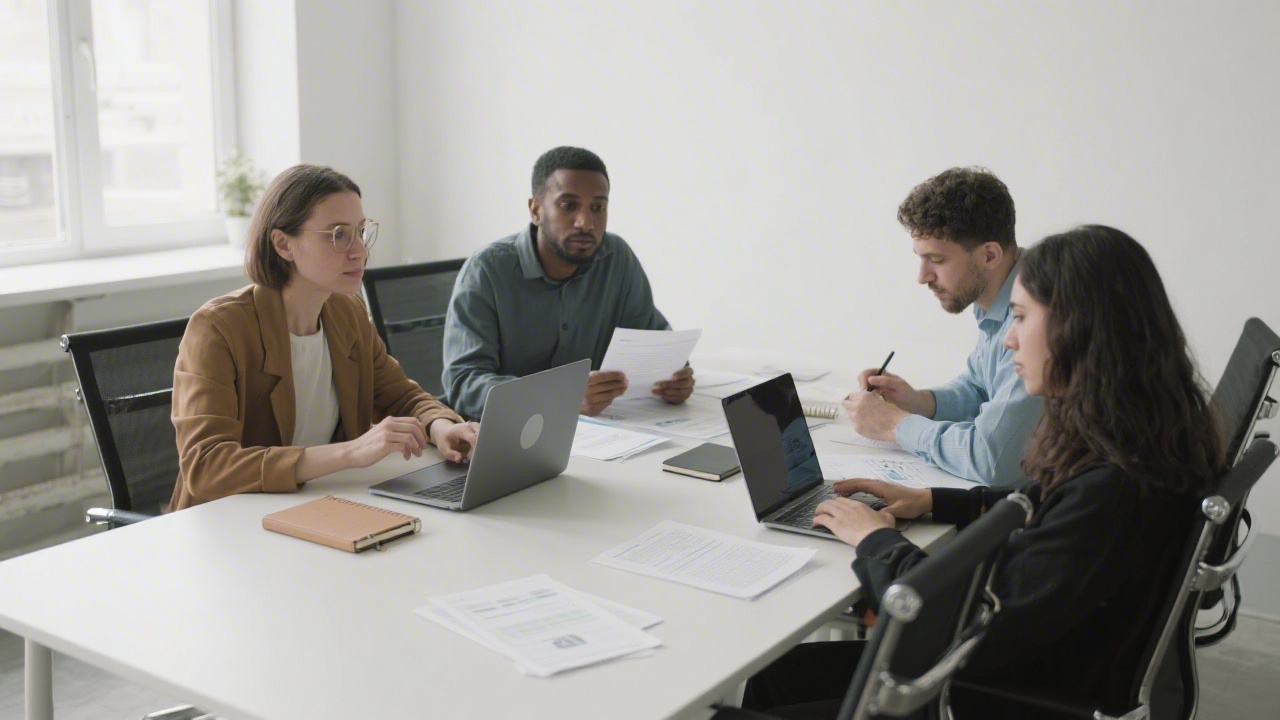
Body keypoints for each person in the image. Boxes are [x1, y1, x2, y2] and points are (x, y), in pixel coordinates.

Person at [743, 226, 1225, 718]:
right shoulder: (1145, 432)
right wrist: (936, 500)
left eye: (1019, 318)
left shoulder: (1113, 485)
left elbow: (959, 621)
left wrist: (875, 541)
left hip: (1004, 692)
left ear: (1078, 329)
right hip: (1050, 663)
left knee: (766, 689)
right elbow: (1050, 507)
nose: (1010, 340)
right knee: (777, 675)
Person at [168, 164, 477, 511]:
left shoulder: (347, 312)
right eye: (339, 234)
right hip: (230, 524)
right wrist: (350, 452)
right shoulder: (218, 328)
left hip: (320, 507)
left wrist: (440, 426)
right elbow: (206, 466)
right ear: (283, 244)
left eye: (360, 231)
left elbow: (401, 396)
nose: (360, 250)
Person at [442, 146, 694, 420]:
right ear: (536, 210)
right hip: (513, 436)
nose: (585, 222)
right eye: (568, 206)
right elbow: (463, 383)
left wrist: (674, 377)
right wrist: (559, 397)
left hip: (606, 435)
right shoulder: (487, 270)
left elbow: (653, 341)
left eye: (598, 207)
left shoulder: (616, 258)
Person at [843, 167, 1042, 488]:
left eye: (936, 260)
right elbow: (981, 387)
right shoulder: (998, 297)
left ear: (989, 255)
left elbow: (994, 459)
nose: (922, 277)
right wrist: (921, 402)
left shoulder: (1038, 312)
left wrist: (895, 425)